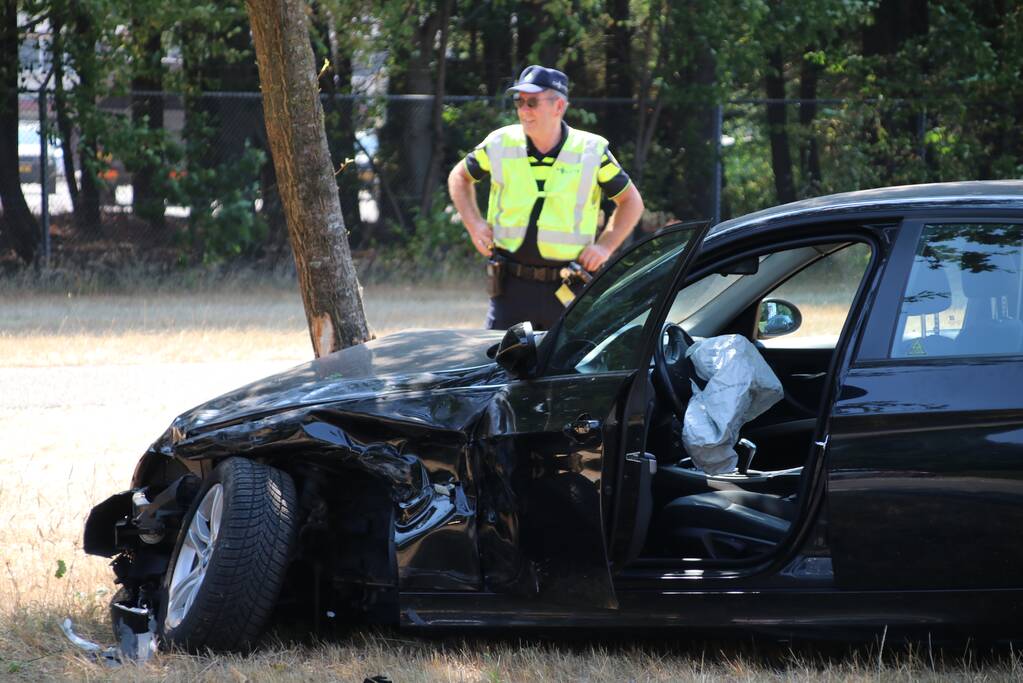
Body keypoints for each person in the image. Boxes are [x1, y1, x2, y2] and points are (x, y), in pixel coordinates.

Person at [448, 65, 644, 330]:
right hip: (510, 288)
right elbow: (459, 177)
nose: (524, 110)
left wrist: (605, 247)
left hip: (568, 288)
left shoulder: (591, 150)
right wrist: (474, 225)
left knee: (567, 369)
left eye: (532, 102)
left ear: (558, 106)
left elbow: (631, 202)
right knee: (495, 367)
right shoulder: (500, 143)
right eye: (519, 102)